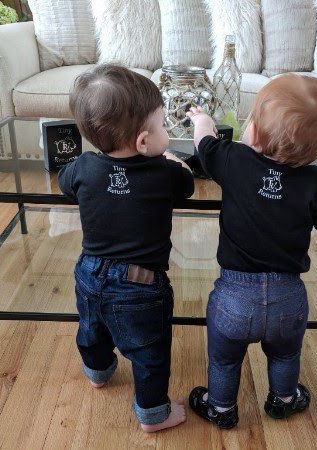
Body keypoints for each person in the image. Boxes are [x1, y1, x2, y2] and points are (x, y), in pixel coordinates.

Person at [186, 74, 317, 429]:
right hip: (289, 298)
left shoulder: (235, 160)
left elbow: (205, 147)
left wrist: (203, 121)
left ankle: (222, 408)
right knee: (286, 353)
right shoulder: (314, 180)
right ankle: (284, 400)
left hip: (233, 297)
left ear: (255, 134)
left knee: (225, 360)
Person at [58, 64, 194, 432]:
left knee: (92, 328)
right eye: (164, 126)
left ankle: (98, 373)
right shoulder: (165, 173)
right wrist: (174, 160)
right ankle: (153, 414)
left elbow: (65, 184)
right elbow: (188, 185)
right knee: (149, 352)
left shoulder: (84, 166)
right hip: (139, 284)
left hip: (90, 271)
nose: (167, 132)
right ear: (144, 143)